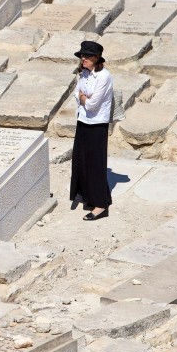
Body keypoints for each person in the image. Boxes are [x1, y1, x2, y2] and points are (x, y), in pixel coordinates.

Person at [69, 41, 113, 221]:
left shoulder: (104, 77)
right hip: (83, 120)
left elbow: (94, 104)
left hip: (97, 124)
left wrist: (83, 97)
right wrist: (83, 97)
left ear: (96, 58)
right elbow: (76, 94)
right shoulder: (85, 73)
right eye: (82, 55)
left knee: (95, 164)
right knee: (81, 160)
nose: (83, 58)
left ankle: (101, 205)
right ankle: (88, 196)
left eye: (87, 56)